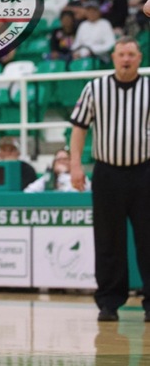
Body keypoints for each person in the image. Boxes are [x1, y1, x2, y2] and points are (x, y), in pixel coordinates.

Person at [70, 36, 150, 322]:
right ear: (113, 58)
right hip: (107, 173)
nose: (126, 59)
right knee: (108, 241)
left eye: (131, 54)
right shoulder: (95, 88)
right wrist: (75, 165)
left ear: (140, 58)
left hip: (145, 172)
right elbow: (79, 128)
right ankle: (109, 303)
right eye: (121, 54)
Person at [24, 148, 90, 193]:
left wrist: (63, 174)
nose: (62, 162)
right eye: (58, 160)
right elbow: (28, 191)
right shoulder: (48, 178)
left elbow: (76, 193)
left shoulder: (80, 177)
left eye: (65, 159)